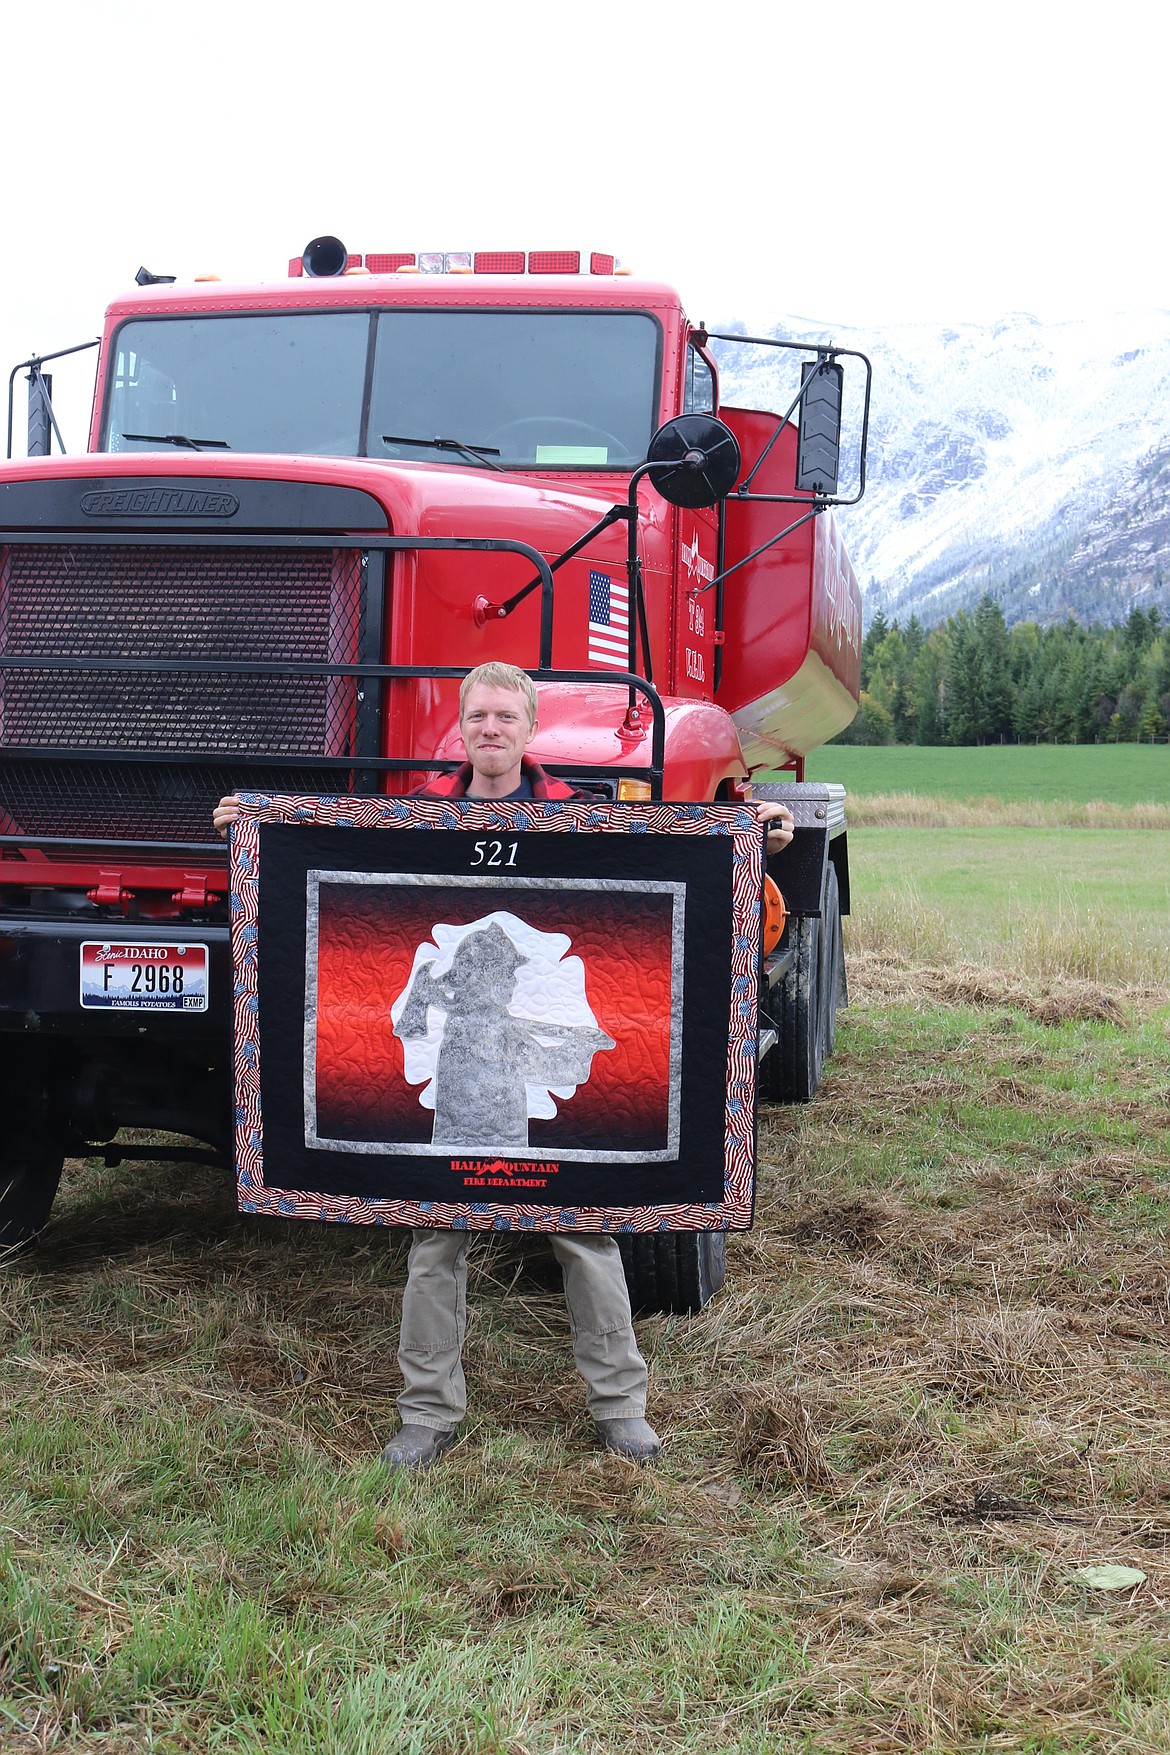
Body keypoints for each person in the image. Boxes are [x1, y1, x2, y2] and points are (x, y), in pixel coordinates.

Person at [213, 660, 794, 1470]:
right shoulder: (415, 819)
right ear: (463, 725)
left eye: (505, 717)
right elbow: (335, 863)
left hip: (515, 1093)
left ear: (528, 729)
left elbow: (672, 848)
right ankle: (427, 1415)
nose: (491, 729)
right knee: (432, 1242)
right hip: (454, 1092)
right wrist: (256, 824)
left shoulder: (578, 819)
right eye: (478, 716)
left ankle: (621, 1406)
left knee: (585, 1233)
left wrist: (751, 827)